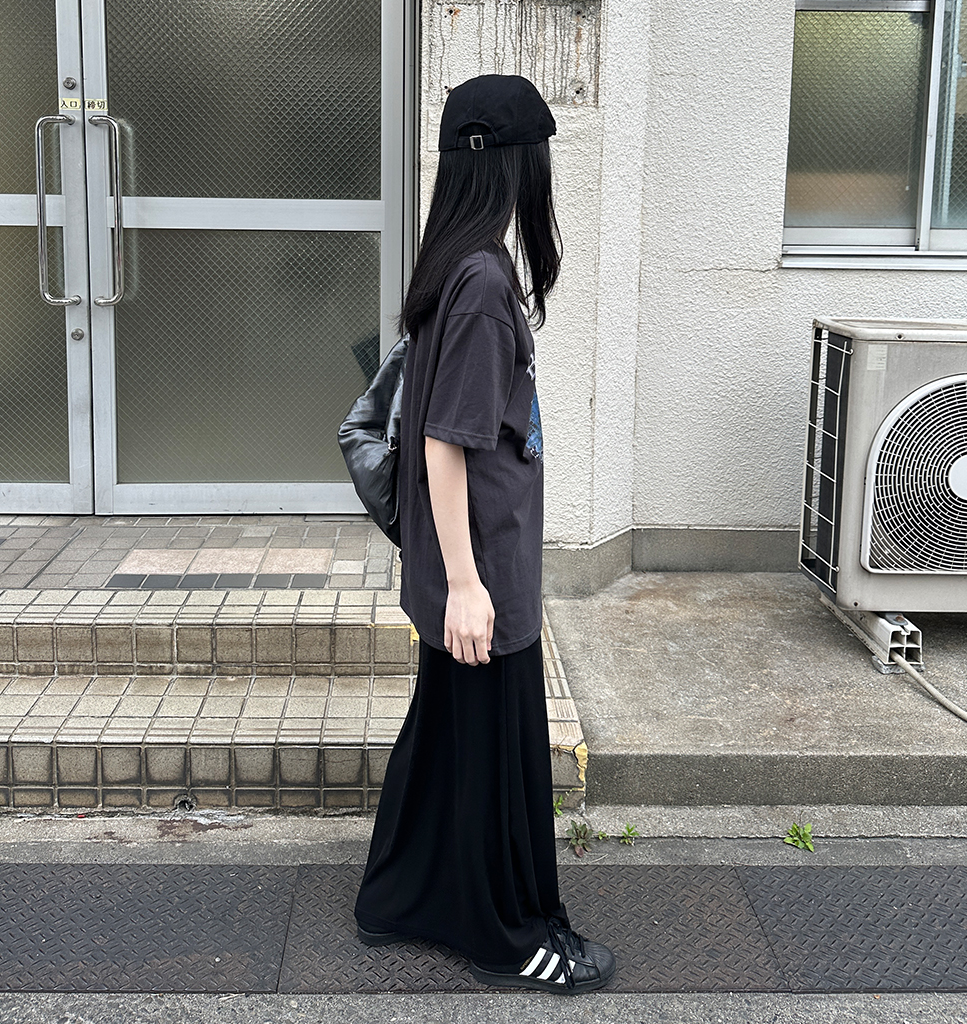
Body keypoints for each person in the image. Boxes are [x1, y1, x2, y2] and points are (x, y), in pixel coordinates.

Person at [353, 74, 616, 994]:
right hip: (482, 572)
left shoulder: (457, 266)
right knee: (491, 761)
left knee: (445, 743)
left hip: (464, 563)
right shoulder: (480, 283)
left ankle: (396, 900)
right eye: (539, 158)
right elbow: (443, 442)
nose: (545, 175)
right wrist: (469, 586)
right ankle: (507, 940)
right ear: (512, 166)